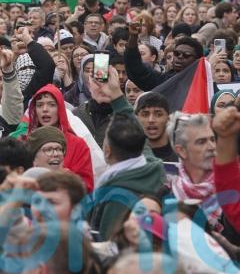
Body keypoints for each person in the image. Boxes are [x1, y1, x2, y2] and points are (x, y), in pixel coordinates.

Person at [88, 67, 166, 239]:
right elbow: (137, 133)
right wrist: (116, 95)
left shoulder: (114, 194)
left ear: (107, 150)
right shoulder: (153, 168)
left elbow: (108, 242)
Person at [169, 114, 221, 229]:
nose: (211, 146)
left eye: (212, 139)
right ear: (182, 151)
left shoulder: (232, 185)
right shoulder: (168, 194)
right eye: (202, 142)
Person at [125, 20, 203, 90]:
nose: (179, 57)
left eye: (186, 55)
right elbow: (135, 68)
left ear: (197, 60)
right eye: (176, 53)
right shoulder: (165, 81)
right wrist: (133, 36)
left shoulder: (203, 84)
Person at [134, 92, 177, 162]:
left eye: (158, 114)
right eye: (145, 114)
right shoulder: (130, 155)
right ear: (137, 119)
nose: (151, 120)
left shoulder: (182, 154)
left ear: (168, 118)